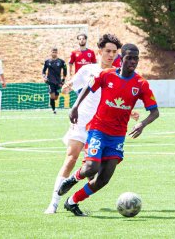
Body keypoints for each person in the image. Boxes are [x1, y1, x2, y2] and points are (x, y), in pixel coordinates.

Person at [56, 43, 159, 217]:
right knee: (91, 168)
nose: (133, 61)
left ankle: (72, 201)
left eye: (136, 58)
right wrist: (75, 107)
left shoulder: (141, 84)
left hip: (117, 137)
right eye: (129, 58)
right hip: (98, 129)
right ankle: (72, 180)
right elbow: (88, 88)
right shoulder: (106, 75)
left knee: (103, 179)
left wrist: (142, 124)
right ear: (121, 58)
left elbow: (155, 111)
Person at [44, 34, 140, 214]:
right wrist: (67, 87)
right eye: (108, 51)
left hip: (103, 127)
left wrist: (129, 111)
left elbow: (119, 100)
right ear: (100, 51)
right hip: (82, 120)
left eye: (114, 52)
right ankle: (54, 202)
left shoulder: (118, 73)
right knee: (71, 158)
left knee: (94, 172)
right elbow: (72, 85)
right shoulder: (88, 70)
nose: (111, 55)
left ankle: (73, 201)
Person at [42, 47, 67, 114]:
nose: (54, 53)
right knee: (52, 96)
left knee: (55, 97)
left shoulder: (61, 62)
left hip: (58, 81)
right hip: (50, 81)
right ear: (51, 52)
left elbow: (65, 71)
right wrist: (44, 77)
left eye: (55, 52)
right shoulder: (47, 61)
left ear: (57, 53)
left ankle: (54, 96)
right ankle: (54, 110)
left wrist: (63, 79)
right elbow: (43, 71)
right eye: (53, 52)